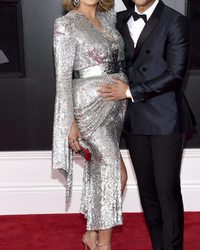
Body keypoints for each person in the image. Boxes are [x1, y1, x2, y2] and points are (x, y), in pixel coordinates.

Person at [98, 0, 196, 249]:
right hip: (134, 119)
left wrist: (130, 91)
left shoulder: (175, 21)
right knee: (148, 193)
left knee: (166, 190)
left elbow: (176, 74)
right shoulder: (118, 20)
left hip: (165, 118)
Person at [52, 0, 128, 249]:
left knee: (101, 174)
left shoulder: (109, 18)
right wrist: (69, 122)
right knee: (115, 174)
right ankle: (104, 245)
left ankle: (91, 235)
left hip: (116, 105)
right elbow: (62, 78)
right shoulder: (65, 24)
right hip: (88, 107)